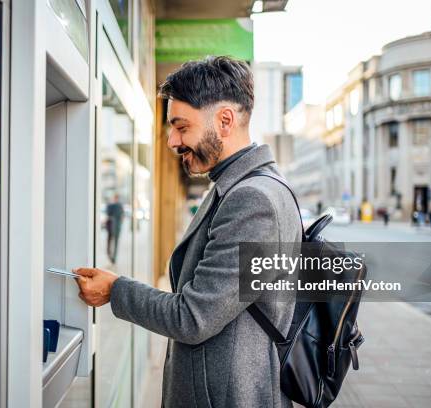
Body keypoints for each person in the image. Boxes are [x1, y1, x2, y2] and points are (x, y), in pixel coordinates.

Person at [74, 56, 301, 407]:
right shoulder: (250, 185)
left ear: (224, 121)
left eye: (181, 127)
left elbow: (193, 318)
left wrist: (115, 290)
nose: (172, 141)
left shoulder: (252, 200)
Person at [106, 194, 124, 263]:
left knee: (114, 243)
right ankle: (112, 256)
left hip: (115, 228)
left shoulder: (118, 206)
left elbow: (121, 216)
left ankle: (113, 257)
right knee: (111, 243)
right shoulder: (113, 205)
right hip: (112, 228)